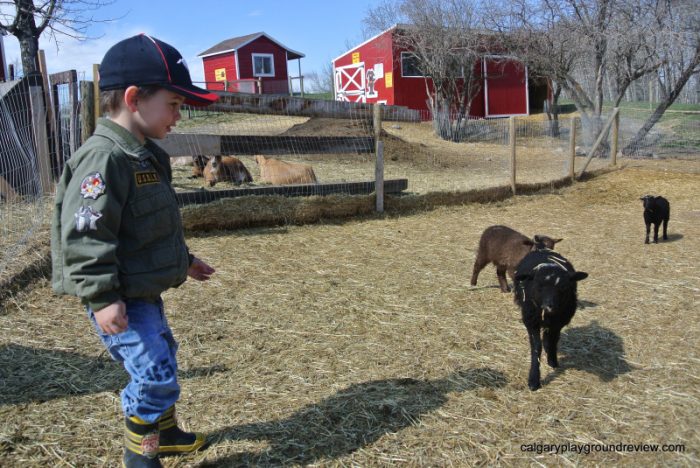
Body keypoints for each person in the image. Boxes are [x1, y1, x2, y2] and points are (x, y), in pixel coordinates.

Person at [51, 34, 219, 467]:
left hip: (143, 290)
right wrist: (103, 298)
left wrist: (184, 260)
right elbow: (86, 236)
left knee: (165, 356)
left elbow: (151, 227)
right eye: (174, 104)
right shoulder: (103, 161)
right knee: (154, 376)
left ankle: (167, 433)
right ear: (133, 98)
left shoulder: (146, 156)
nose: (179, 117)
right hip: (120, 295)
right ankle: (141, 458)